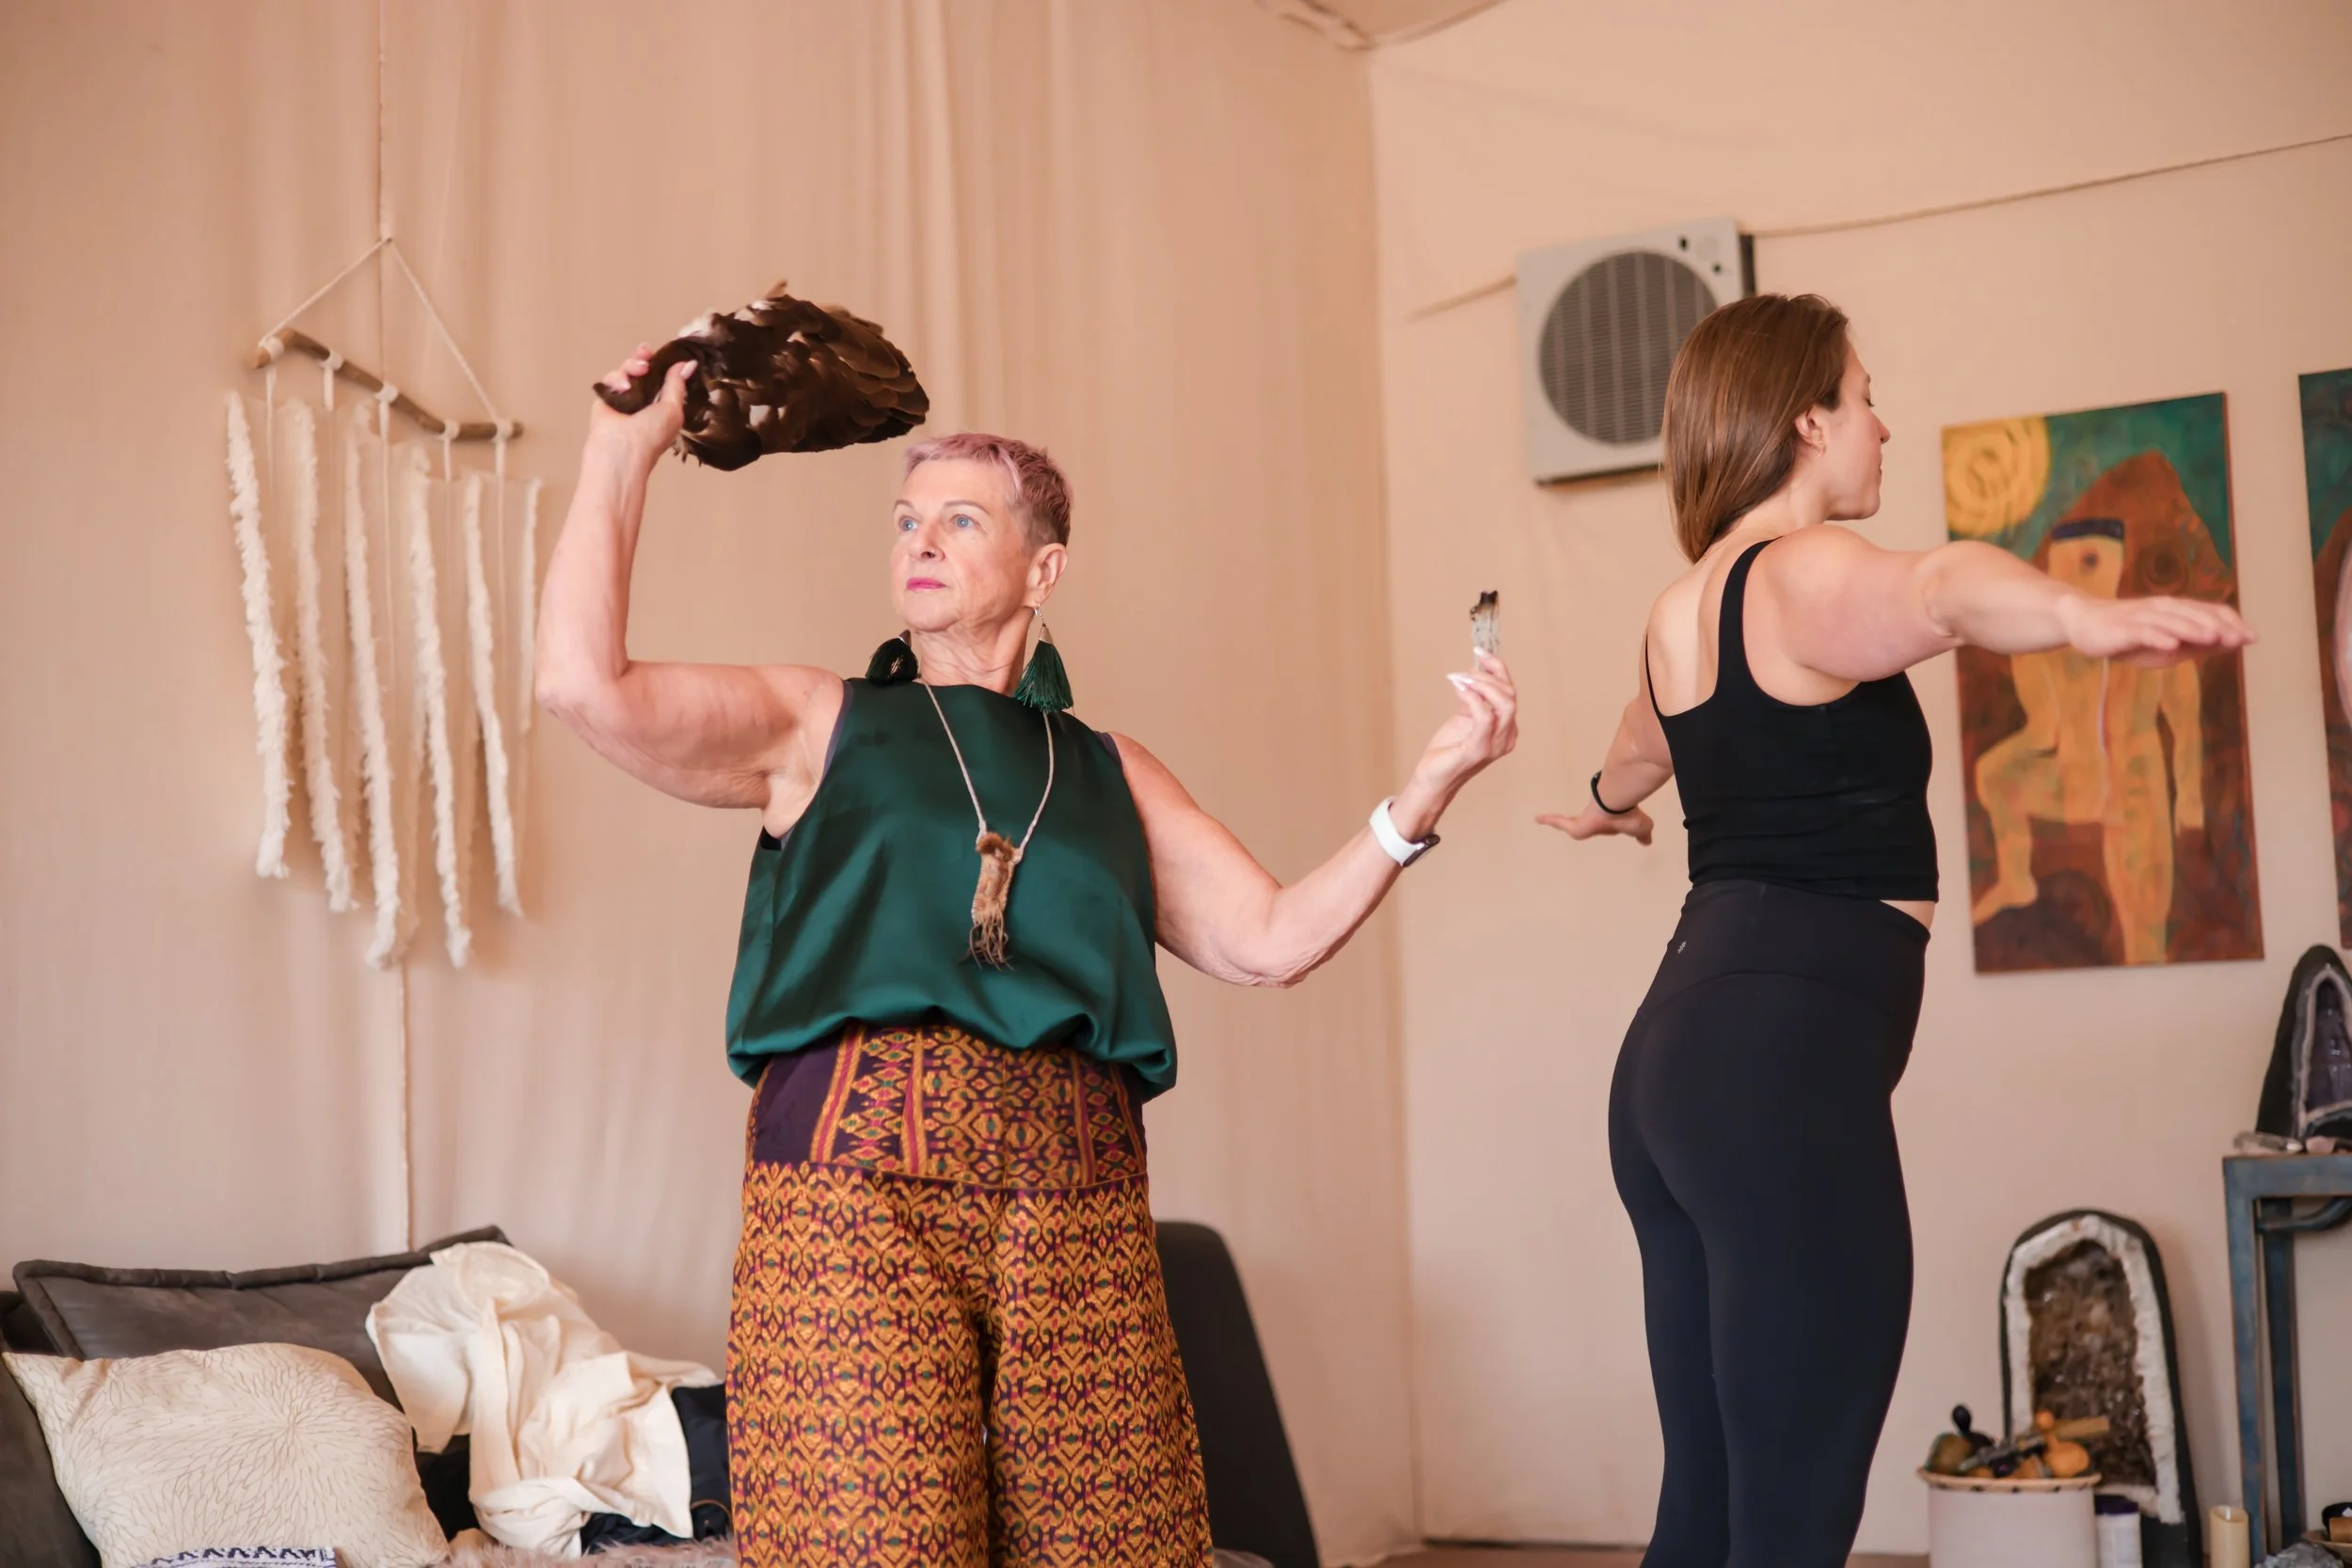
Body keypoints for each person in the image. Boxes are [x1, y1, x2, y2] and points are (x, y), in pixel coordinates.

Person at [535, 346, 1519, 1568]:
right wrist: (621, 451)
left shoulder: (1109, 768)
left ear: (1044, 566)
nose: (921, 540)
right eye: (906, 519)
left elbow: (1270, 941)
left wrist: (1422, 794)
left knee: (1125, 1547)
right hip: (859, 1192)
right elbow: (583, 685)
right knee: (876, 1544)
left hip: (1084, 1201)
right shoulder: (820, 722)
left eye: (960, 518)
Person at [1540, 294, 2251, 1567]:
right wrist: (2079, 618)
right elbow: (1940, 587)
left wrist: (1601, 808)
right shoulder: (1802, 573)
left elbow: (1641, 742)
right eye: (1865, 395)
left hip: (1672, 1067)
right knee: (1790, 1527)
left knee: (1707, 1512)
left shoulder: (1679, 609)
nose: (1882, 422)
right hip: (1773, 1074)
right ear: (1807, 417)